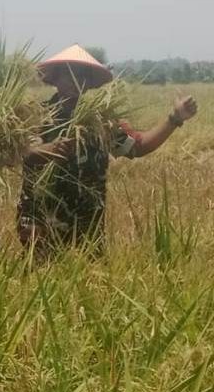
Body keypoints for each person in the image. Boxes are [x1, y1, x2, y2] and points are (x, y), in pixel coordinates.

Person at [18, 44, 199, 256]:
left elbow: (138, 147)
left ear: (88, 83)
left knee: (88, 273)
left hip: (87, 224)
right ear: (55, 78)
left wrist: (174, 119)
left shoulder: (101, 121)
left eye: (82, 75)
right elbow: (20, 152)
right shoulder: (36, 116)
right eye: (69, 74)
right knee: (40, 271)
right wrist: (48, 150)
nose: (75, 80)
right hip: (40, 221)